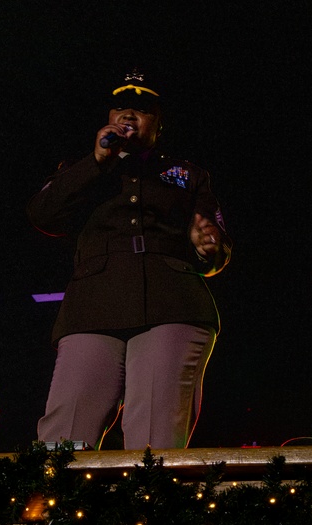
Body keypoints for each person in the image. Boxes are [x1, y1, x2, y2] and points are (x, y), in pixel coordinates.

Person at [28, 70, 232, 450]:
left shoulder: (187, 176)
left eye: (141, 110)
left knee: (153, 445)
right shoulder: (82, 170)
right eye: (121, 108)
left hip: (171, 304)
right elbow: (42, 215)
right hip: (93, 307)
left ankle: (148, 508)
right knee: (64, 438)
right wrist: (96, 161)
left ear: (158, 124)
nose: (129, 116)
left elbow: (217, 249)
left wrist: (210, 247)